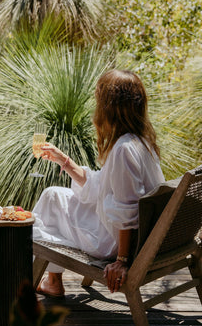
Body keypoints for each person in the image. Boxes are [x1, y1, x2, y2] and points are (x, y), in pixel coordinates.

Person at [32, 69, 164, 297]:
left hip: (112, 243)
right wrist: (64, 160)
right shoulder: (141, 142)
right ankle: (52, 279)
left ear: (109, 106)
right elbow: (102, 185)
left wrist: (121, 260)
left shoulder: (123, 150)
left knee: (43, 212)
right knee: (53, 195)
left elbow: (127, 209)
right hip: (132, 235)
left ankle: (45, 278)